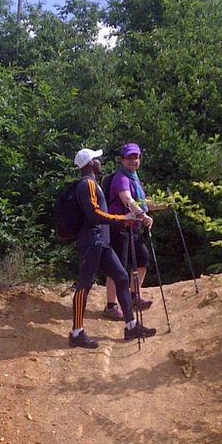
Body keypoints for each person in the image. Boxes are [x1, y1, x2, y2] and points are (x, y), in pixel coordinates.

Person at [69, 147, 156, 349]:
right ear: (90, 164)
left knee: (122, 277)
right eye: (96, 159)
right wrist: (121, 219)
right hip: (92, 242)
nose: (100, 162)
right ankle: (77, 333)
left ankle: (131, 325)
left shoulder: (93, 184)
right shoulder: (87, 185)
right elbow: (95, 215)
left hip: (102, 242)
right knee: (85, 285)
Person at [103, 143, 165, 321]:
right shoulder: (121, 178)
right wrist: (143, 215)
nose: (134, 160)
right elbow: (128, 201)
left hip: (132, 227)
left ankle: (133, 295)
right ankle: (111, 306)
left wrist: (168, 203)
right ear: (122, 159)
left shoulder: (134, 178)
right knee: (118, 267)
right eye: (130, 157)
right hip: (119, 227)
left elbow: (143, 202)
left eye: (136, 157)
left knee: (143, 259)